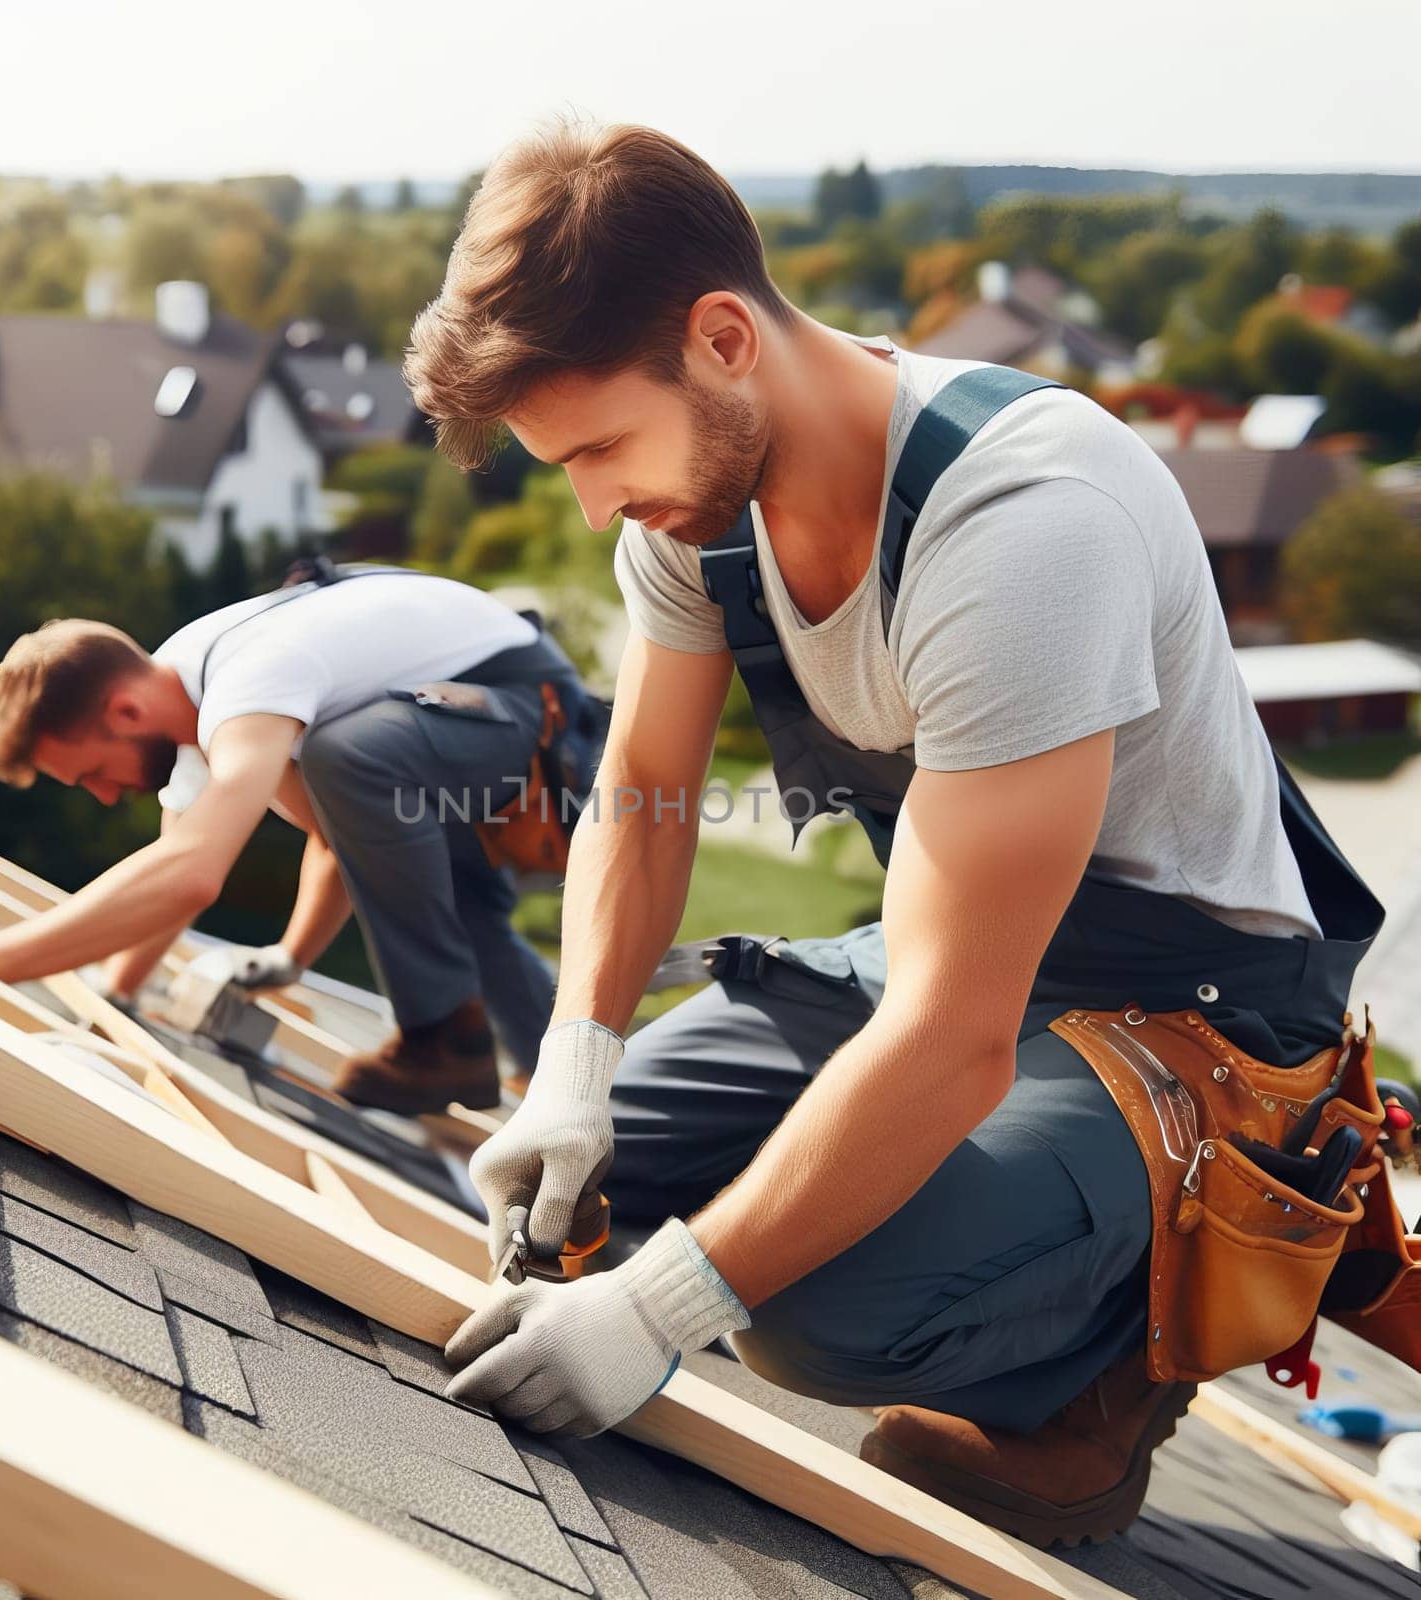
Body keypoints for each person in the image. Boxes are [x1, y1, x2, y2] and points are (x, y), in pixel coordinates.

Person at [404, 117, 1387, 1544]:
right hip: (970, 955)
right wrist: (573, 1066)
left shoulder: (1022, 522)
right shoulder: (696, 511)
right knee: (609, 1182)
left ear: (726, 337)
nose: (597, 499)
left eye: (604, 444)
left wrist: (658, 1313)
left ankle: (1102, 1374)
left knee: (801, 1315)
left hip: (1185, 1011)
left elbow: (950, 1036)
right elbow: (646, 792)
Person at [0, 565, 604, 1113]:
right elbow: (189, 868)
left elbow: (192, 872)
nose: (101, 795)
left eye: (92, 773)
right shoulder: (182, 684)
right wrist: (114, 996)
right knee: (454, 903)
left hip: (533, 715)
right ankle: (587, 1103)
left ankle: (444, 1040)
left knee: (343, 756)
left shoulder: (245, 684)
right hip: (453, 728)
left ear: (125, 712)